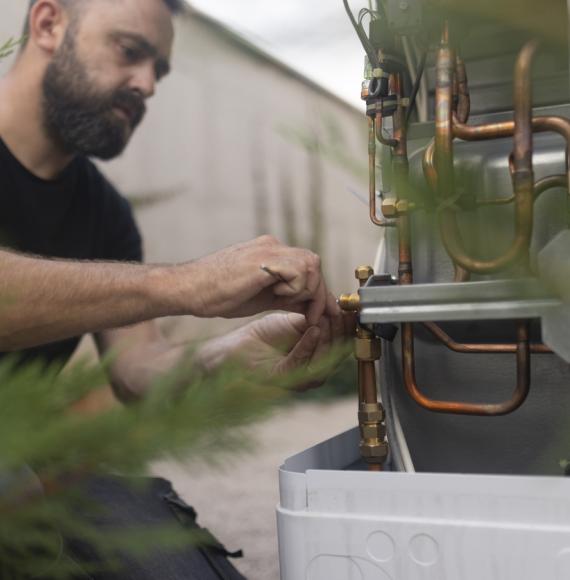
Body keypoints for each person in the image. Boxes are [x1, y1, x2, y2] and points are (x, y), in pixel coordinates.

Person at [0, 0, 347, 577]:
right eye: (130, 52)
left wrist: (234, 357)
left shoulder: (103, 212)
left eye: (158, 70)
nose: (147, 85)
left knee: (169, 556)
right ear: (48, 24)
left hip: (25, 463)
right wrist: (186, 283)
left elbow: (139, 368)